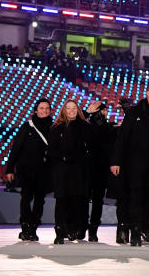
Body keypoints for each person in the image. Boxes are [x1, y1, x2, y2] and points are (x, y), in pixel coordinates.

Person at [110, 82, 149, 246]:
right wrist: (116, 161)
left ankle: (145, 225)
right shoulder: (134, 112)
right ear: (148, 93)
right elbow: (122, 138)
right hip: (135, 165)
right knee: (136, 198)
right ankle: (136, 232)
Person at [5, 99, 53, 241]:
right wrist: (9, 169)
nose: (44, 110)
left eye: (47, 108)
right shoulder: (27, 126)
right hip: (26, 170)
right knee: (26, 198)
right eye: (41, 108)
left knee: (39, 201)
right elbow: (15, 149)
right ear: (35, 110)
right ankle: (25, 227)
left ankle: (33, 228)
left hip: (44, 171)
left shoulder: (54, 127)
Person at [49, 100, 92, 244]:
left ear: (77, 110)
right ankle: (60, 231)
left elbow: (90, 148)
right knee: (61, 201)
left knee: (76, 200)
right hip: (61, 169)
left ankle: (74, 229)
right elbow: (51, 150)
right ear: (64, 110)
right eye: (68, 108)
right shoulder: (56, 128)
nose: (71, 110)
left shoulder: (85, 127)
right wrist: (62, 158)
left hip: (79, 170)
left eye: (74, 108)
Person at [86, 101, 115, 242]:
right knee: (83, 199)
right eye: (100, 110)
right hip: (85, 168)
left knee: (97, 200)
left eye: (104, 110)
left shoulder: (109, 127)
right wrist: (86, 114)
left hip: (101, 169)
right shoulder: (85, 125)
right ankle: (81, 226)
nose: (103, 113)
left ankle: (93, 229)